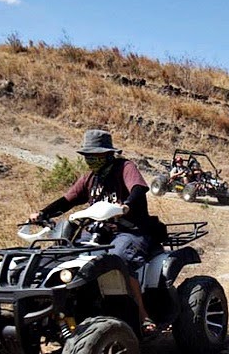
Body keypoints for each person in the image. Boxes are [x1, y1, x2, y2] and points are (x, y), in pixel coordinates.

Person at [30, 129, 159, 336]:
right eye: (88, 156)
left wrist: (125, 206)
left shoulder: (125, 167)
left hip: (130, 231)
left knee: (119, 260)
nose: (92, 160)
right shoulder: (91, 177)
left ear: (109, 154)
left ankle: (143, 315)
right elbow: (68, 200)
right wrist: (43, 212)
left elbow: (138, 188)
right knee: (65, 257)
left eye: (96, 156)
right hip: (97, 233)